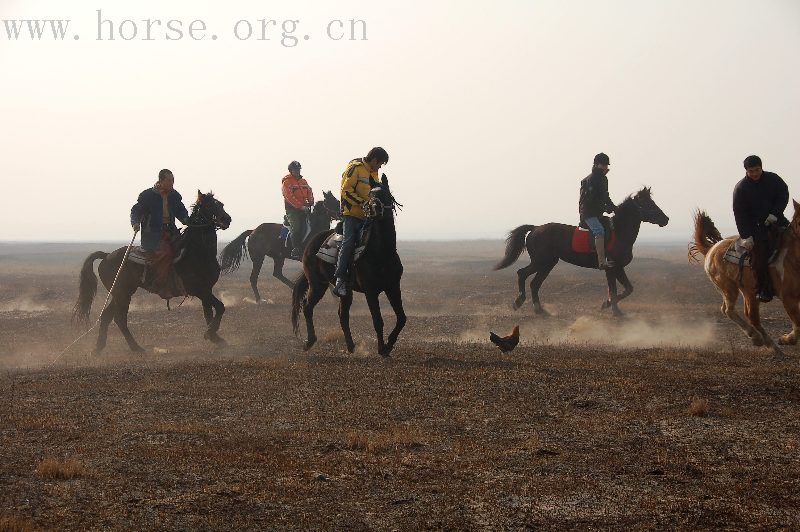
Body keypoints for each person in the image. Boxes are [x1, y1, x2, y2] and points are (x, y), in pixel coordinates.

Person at [333, 147, 389, 296]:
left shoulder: (374, 173)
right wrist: (363, 203)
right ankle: (340, 280)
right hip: (352, 214)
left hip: (369, 215)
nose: (380, 167)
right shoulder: (355, 168)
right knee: (349, 242)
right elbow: (345, 191)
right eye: (380, 163)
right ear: (374, 160)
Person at [733, 155, 789, 303]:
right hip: (756, 231)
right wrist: (746, 236)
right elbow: (740, 214)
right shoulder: (741, 189)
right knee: (758, 260)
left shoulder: (774, 179)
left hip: (777, 221)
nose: (755, 173)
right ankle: (763, 290)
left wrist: (775, 213)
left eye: (757, 170)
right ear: (746, 171)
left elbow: (783, 194)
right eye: (751, 171)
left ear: (761, 167)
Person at [130, 168, 189, 296]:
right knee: (166, 253)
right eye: (169, 180)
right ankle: (160, 284)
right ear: (161, 181)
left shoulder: (174, 196)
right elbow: (136, 210)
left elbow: (181, 212)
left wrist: (188, 221)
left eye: (173, 180)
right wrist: (135, 223)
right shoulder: (147, 196)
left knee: (187, 248)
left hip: (172, 231)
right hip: (153, 234)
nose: (172, 183)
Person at [579, 152, 617, 269]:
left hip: (597, 212)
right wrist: (608, 207)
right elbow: (592, 199)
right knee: (599, 231)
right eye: (603, 164)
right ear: (596, 165)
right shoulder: (591, 179)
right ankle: (601, 262)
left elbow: (605, 196)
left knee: (610, 226)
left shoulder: (602, 179)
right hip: (589, 213)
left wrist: (613, 207)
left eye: (606, 165)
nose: (605, 167)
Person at [282, 160, 315, 259]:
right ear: (290, 171)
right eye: (295, 170)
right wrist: (300, 206)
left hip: (305, 208)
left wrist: (311, 201)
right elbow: (289, 197)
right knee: (296, 227)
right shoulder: (287, 182)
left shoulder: (303, 181)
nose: (297, 171)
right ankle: (296, 249)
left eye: (298, 169)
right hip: (293, 210)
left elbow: (309, 191)